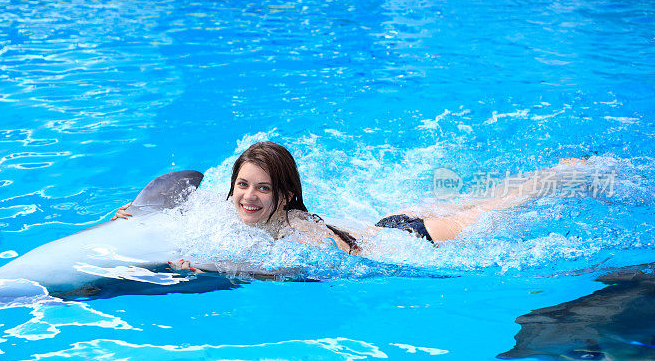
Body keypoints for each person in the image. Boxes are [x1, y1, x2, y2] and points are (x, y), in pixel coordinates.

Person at [113, 141, 587, 269]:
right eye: (243, 185)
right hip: (378, 223)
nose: (249, 197)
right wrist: (133, 217)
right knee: (479, 197)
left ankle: (568, 174)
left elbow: (287, 270)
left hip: (411, 239)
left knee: (494, 209)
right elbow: (181, 209)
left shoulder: (298, 229)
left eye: (263, 189)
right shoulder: (231, 210)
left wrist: (219, 266)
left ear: (284, 194)